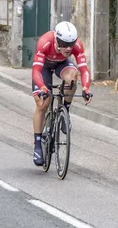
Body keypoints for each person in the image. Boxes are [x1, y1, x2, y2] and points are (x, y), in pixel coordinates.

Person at [31, 21, 92, 166]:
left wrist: (86, 88)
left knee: (72, 77)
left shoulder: (76, 47)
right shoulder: (45, 42)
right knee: (43, 104)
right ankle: (38, 144)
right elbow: (36, 71)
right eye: (64, 44)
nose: (68, 48)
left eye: (71, 44)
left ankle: (66, 111)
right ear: (57, 40)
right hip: (44, 67)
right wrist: (42, 87)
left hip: (61, 64)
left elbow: (84, 70)